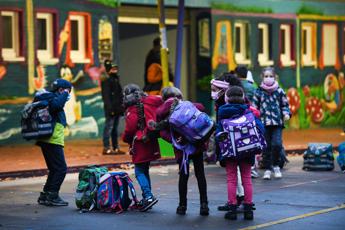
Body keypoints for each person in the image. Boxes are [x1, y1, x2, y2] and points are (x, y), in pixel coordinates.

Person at [155, 87, 209, 216]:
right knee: (200, 174)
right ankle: (204, 205)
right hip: (196, 144)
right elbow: (201, 108)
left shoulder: (161, 112)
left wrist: (176, 141)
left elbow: (162, 133)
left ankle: (182, 206)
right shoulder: (187, 105)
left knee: (183, 176)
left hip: (181, 149)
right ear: (179, 95)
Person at [215, 86, 265, 220]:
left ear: (226, 98)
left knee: (231, 179)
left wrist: (219, 152)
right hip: (247, 150)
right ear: (243, 98)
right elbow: (261, 129)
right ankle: (248, 210)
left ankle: (232, 209)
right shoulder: (248, 111)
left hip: (230, 152)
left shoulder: (222, 112)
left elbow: (218, 134)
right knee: (247, 179)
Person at [122, 84, 162, 211]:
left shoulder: (132, 109)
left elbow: (130, 129)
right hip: (150, 140)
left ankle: (149, 196)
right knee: (145, 170)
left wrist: (124, 138)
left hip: (140, 142)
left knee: (139, 171)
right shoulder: (148, 103)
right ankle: (146, 197)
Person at [210, 73, 246, 210]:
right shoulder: (224, 102)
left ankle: (237, 199)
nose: (212, 93)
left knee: (234, 172)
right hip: (234, 141)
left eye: (214, 90)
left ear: (224, 90)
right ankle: (240, 197)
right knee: (236, 172)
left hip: (231, 142)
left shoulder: (227, 105)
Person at [36, 79, 72, 206]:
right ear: (61, 90)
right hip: (52, 139)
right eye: (68, 92)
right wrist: (64, 94)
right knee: (61, 168)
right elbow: (56, 106)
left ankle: (46, 195)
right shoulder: (53, 99)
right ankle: (52, 195)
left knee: (54, 168)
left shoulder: (48, 98)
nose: (69, 95)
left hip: (47, 138)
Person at [252, 67, 291, 180]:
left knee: (277, 144)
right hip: (263, 123)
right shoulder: (258, 91)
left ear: (275, 77)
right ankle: (268, 169)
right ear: (262, 78)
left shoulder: (279, 91)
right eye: (266, 76)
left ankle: (276, 166)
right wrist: (254, 118)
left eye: (271, 76)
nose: (268, 78)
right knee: (266, 147)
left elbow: (285, 105)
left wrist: (286, 113)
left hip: (277, 123)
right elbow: (254, 107)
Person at [234, 66, 260, 178]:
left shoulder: (235, 87)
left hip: (236, 117)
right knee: (251, 141)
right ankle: (252, 168)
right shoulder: (252, 87)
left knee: (238, 141)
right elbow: (256, 102)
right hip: (250, 116)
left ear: (237, 74)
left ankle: (239, 168)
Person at [101, 59, 125, 155]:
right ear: (108, 70)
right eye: (113, 69)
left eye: (116, 68)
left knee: (114, 129)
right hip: (111, 109)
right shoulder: (107, 81)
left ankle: (115, 147)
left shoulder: (116, 80)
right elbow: (106, 97)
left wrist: (121, 107)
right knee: (109, 128)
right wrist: (110, 109)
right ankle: (106, 147)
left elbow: (119, 95)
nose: (115, 70)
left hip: (117, 109)